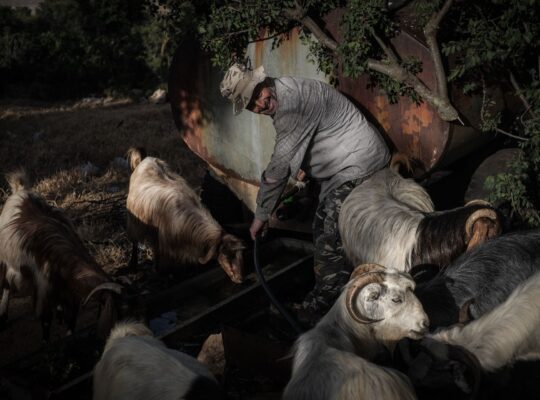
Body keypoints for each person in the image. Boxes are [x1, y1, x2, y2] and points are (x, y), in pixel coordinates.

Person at [220, 63, 390, 326]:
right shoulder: (286, 92)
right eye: (252, 104)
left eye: (258, 95)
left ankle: (324, 304)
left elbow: (278, 168)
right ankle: (348, 285)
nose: (260, 105)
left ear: (265, 82)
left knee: (327, 224)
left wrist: (261, 215)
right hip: (344, 167)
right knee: (321, 218)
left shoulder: (293, 103)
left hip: (361, 164)